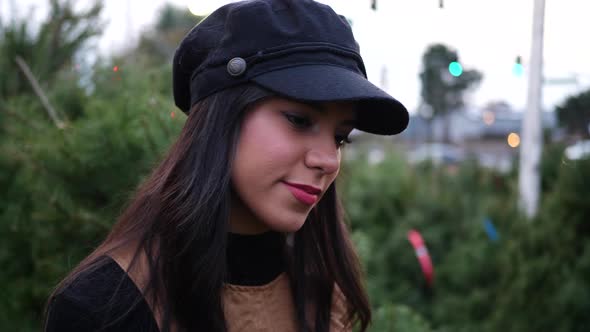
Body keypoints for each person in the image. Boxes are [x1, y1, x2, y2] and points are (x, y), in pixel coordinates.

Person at [44, 0, 409, 331]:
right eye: (299, 120)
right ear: (222, 117)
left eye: (340, 137)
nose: (328, 160)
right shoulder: (106, 308)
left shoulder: (324, 290)